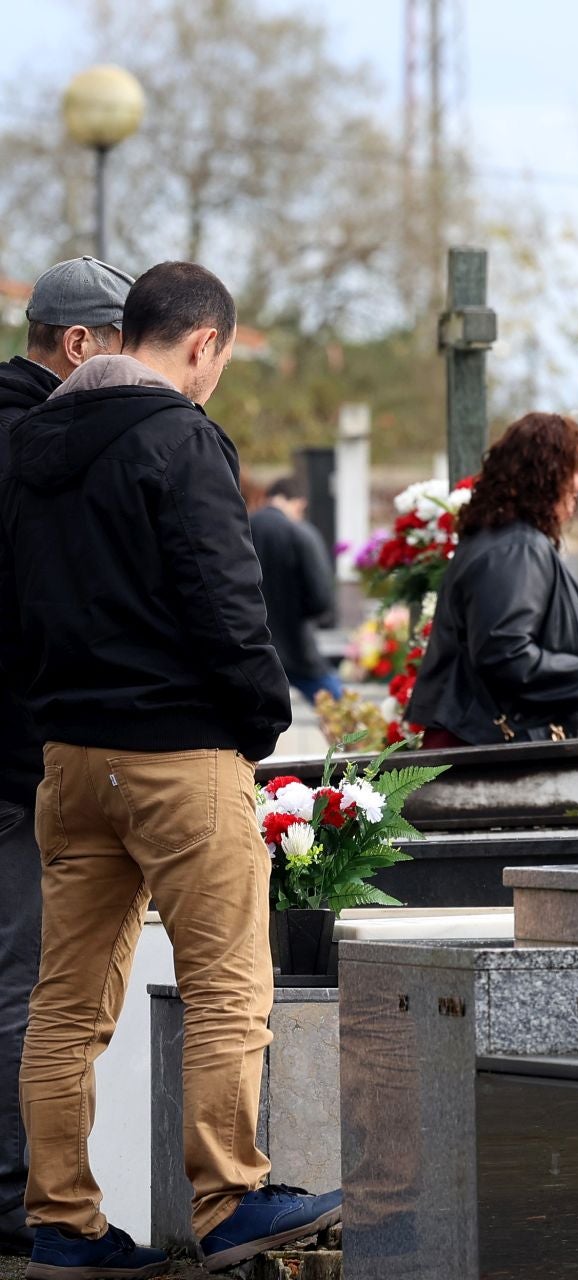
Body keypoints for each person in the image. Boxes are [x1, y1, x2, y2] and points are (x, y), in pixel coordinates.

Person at [0, 261, 339, 1278]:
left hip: (69, 759)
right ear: (201, 343)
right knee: (230, 982)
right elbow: (225, 599)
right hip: (178, 752)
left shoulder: (28, 446)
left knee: (66, 1004)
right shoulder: (180, 438)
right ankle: (230, 1198)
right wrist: (261, 717)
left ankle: (63, 1222)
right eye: (219, 361)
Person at [0, 256, 131, 1260]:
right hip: (18, 755)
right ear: (78, 343)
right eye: (125, 347)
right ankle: (17, 1200)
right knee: (27, 981)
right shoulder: (43, 442)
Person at [408, 412, 578, 746]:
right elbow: (506, 654)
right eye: (575, 470)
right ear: (546, 476)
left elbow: (511, 629)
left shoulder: (502, 539)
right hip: (489, 750)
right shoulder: (515, 547)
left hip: (478, 741)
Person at [251, 475, 342, 707]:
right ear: (299, 502)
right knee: (337, 709)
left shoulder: (242, 529)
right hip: (296, 645)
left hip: (252, 646)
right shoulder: (299, 533)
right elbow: (321, 598)